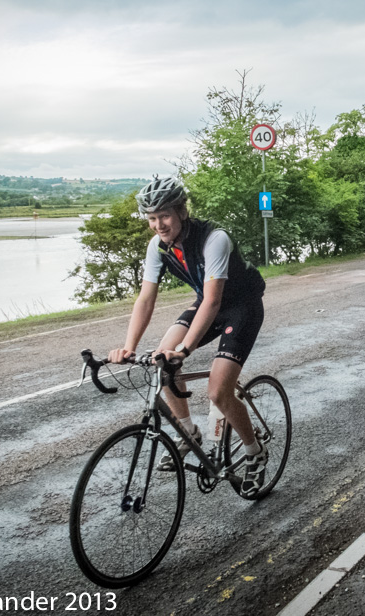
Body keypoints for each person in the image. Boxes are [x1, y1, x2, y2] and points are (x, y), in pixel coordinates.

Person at [107, 175, 268, 497]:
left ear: (182, 211)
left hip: (241, 307)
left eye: (164, 215)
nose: (158, 225)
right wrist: (128, 347)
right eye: (152, 218)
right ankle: (189, 433)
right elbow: (146, 298)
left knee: (218, 392)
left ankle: (255, 453)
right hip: (207, 304)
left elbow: (213, 300)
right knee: (160, 364)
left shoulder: (214, 238)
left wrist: (184, 349)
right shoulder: (158, 246)